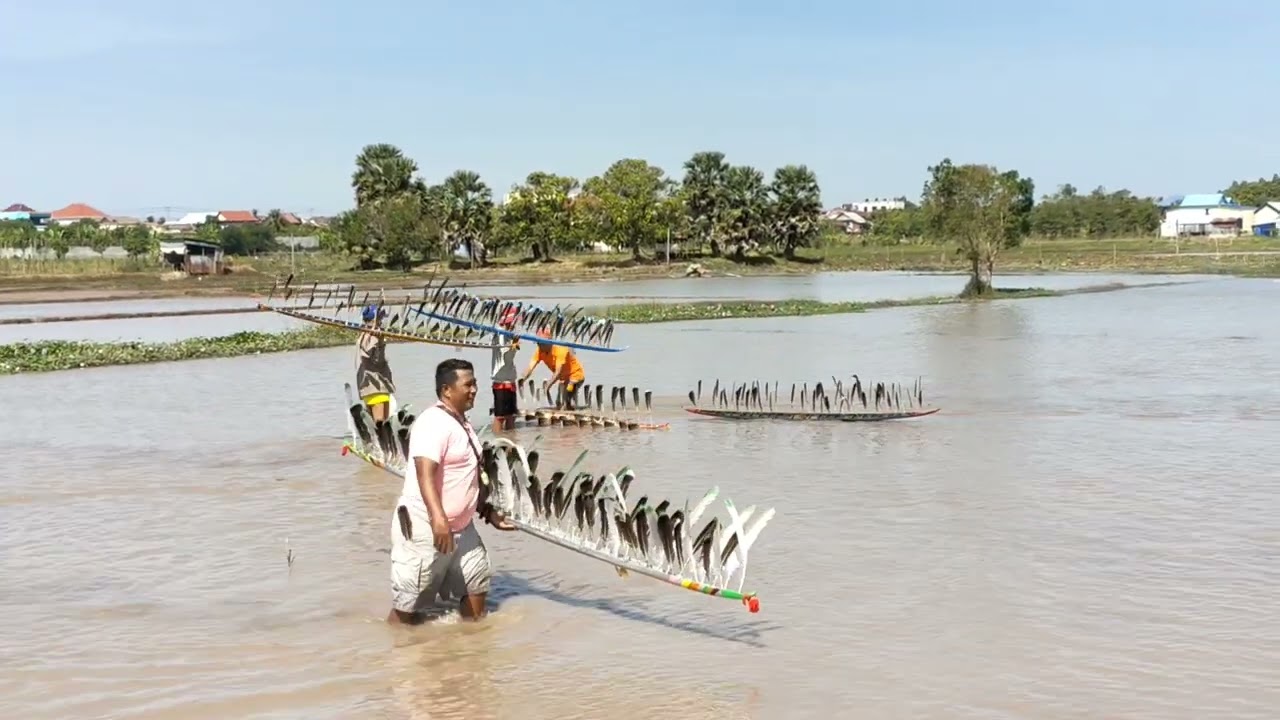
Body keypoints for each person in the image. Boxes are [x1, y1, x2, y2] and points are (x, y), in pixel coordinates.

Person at [388, 358, 517, 625]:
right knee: (409, 606)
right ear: (447, 390)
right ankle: (398, 654)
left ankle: (470, 651)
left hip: (462, 527)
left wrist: (486, 510)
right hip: (426, 525)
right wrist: (438, 519)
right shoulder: (433, 423)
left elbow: (467, 474)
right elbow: (425, 473)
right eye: (467, 385)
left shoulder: (461, 423)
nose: (474, 390)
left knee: (477, 584)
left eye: (475, 384)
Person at [519, 328, 587, 410]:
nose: (539, 345)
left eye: (541, 343)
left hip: (575, 376)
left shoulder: (560, 349)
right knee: (559, 402)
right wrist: (522, 378)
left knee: (568, 392)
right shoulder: (539, 351)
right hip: (563, 378)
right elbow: (530, 367)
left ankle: (567, 406)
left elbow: (558, 372)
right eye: (538, 343)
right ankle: (568, 406)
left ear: (549, 342)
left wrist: (548, 385)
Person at [357, 304, 395, 423]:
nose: (381, 322)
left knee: (382, 424)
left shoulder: (365, 335)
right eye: (379, 319)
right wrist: (380, 342)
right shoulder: (371, 337)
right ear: (374, 320)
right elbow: (376, 361)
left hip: (375, 386)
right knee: (380, 425)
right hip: (375, 386)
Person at [489, 307, 521, 432]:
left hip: (510, 381)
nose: (514, 324)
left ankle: (511, 440)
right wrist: (514, 344)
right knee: (500, 416)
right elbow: (505, 354)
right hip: (501, 382)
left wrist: (514, 343)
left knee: (511, 416)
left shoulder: (508, 335)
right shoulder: (500, 334)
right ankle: (497, 438)